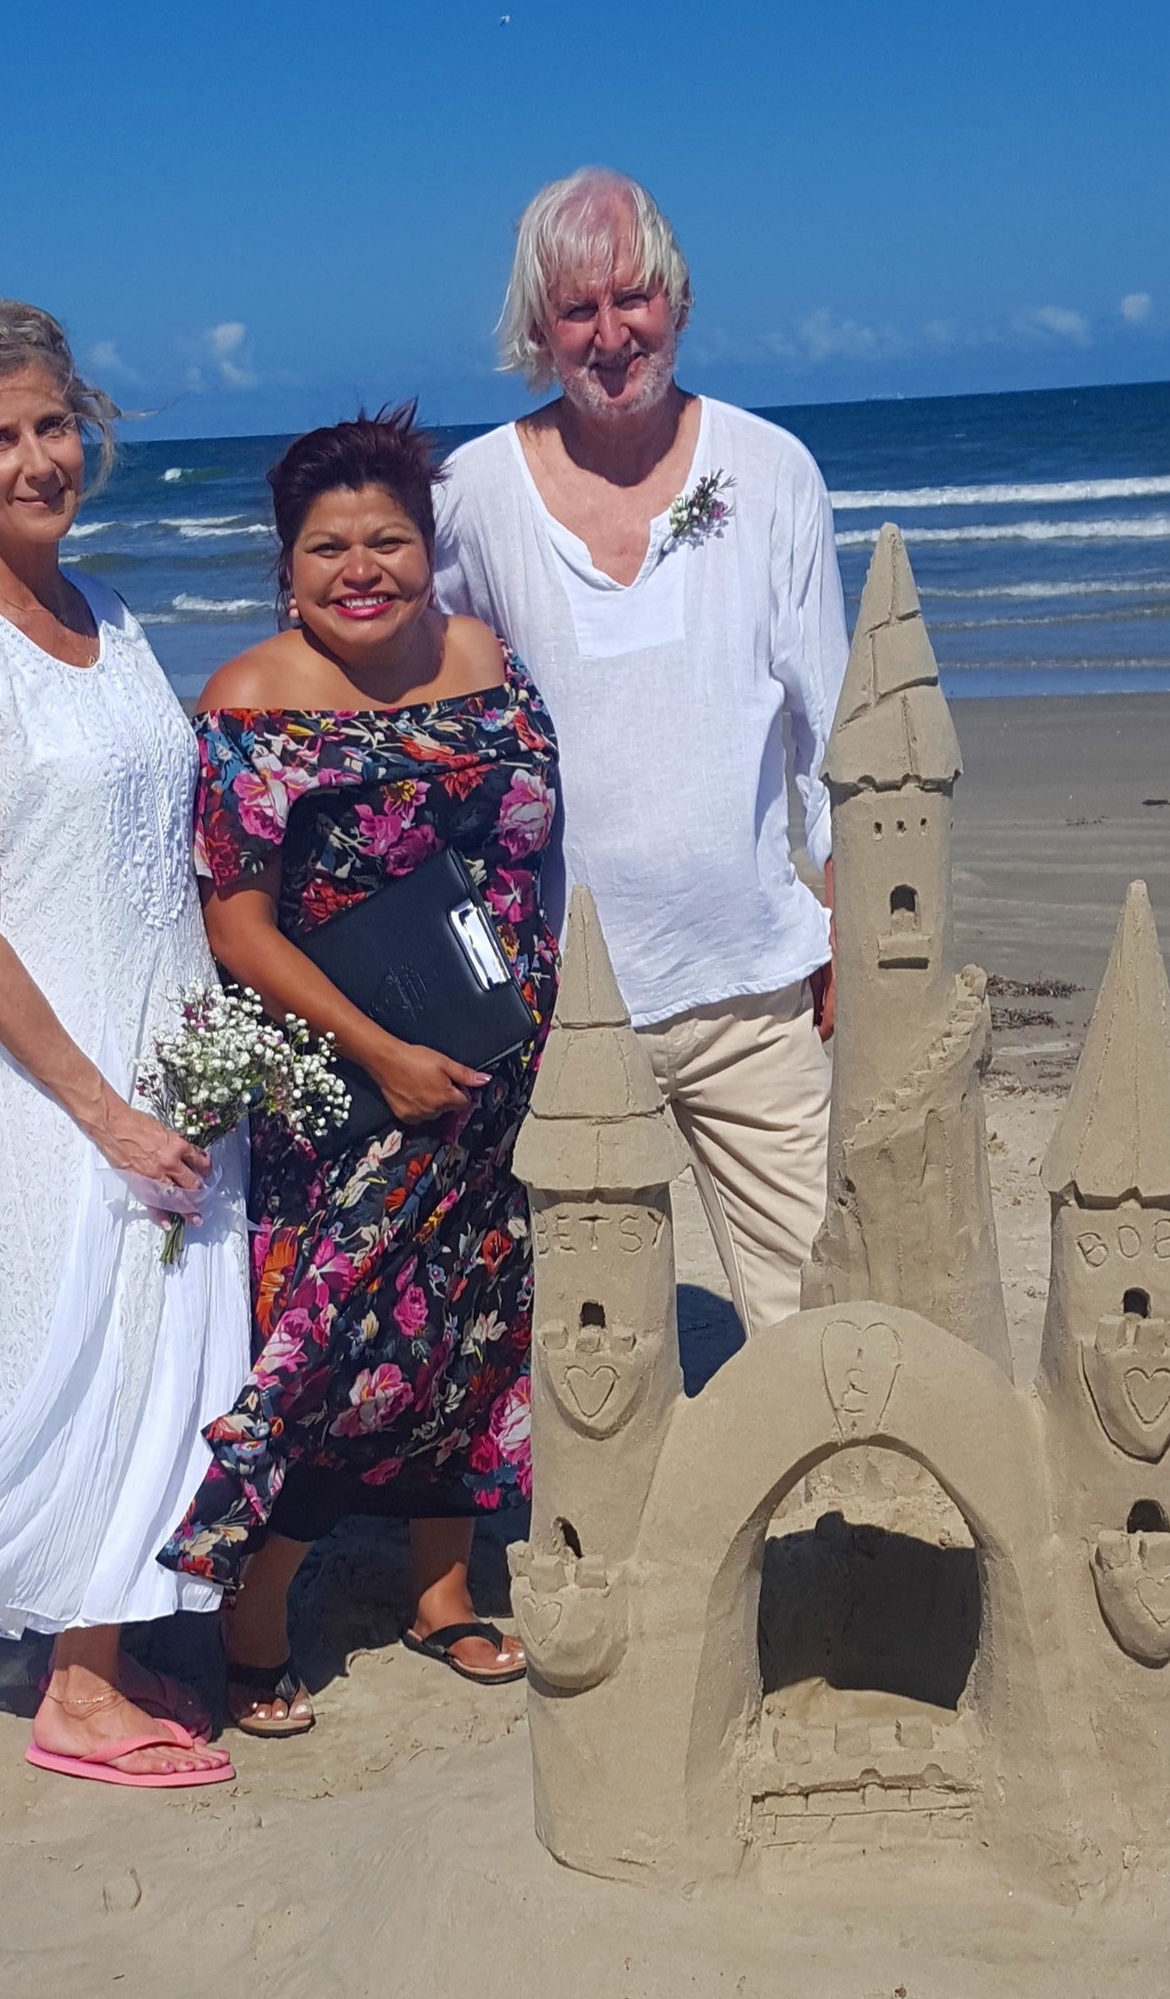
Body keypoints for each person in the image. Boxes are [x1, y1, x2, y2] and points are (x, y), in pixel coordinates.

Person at [0, 296, 251, 1788]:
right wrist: (106, 1112)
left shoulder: (111, 615)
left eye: (54, 425)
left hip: (174, 1056)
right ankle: (75, 1694)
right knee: (79, 1351)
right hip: (54, 1089)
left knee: (162, 1358)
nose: (38, 459)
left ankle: (105, 1636)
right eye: (1, 437)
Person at [157, 407, 558, 1736]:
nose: (361, 565)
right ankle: (256, 1606)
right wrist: (384, 1052)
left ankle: (443, 1589)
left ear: (430, 545)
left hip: (500, 1061)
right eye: (328, 546)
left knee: (478, 1324)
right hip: (348, 1079)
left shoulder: (486, 656)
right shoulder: (249, 697)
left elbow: (529, 841)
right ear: (287, 562)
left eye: (388, 536)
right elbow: (237, 923)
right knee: (332, 1340)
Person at [433, 167, 845, 1340]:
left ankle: (826, 1523)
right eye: (577, 309)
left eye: (633, 298)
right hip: (565, 1007)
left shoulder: (769, 472)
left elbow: (835, 729)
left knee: (812, 1309)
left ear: (676, 296)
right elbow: (421, 721)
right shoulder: (470, 495)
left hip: (756, 984)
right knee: (590, 1331)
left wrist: (847, 931)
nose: (611, 334)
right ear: (537, 329)